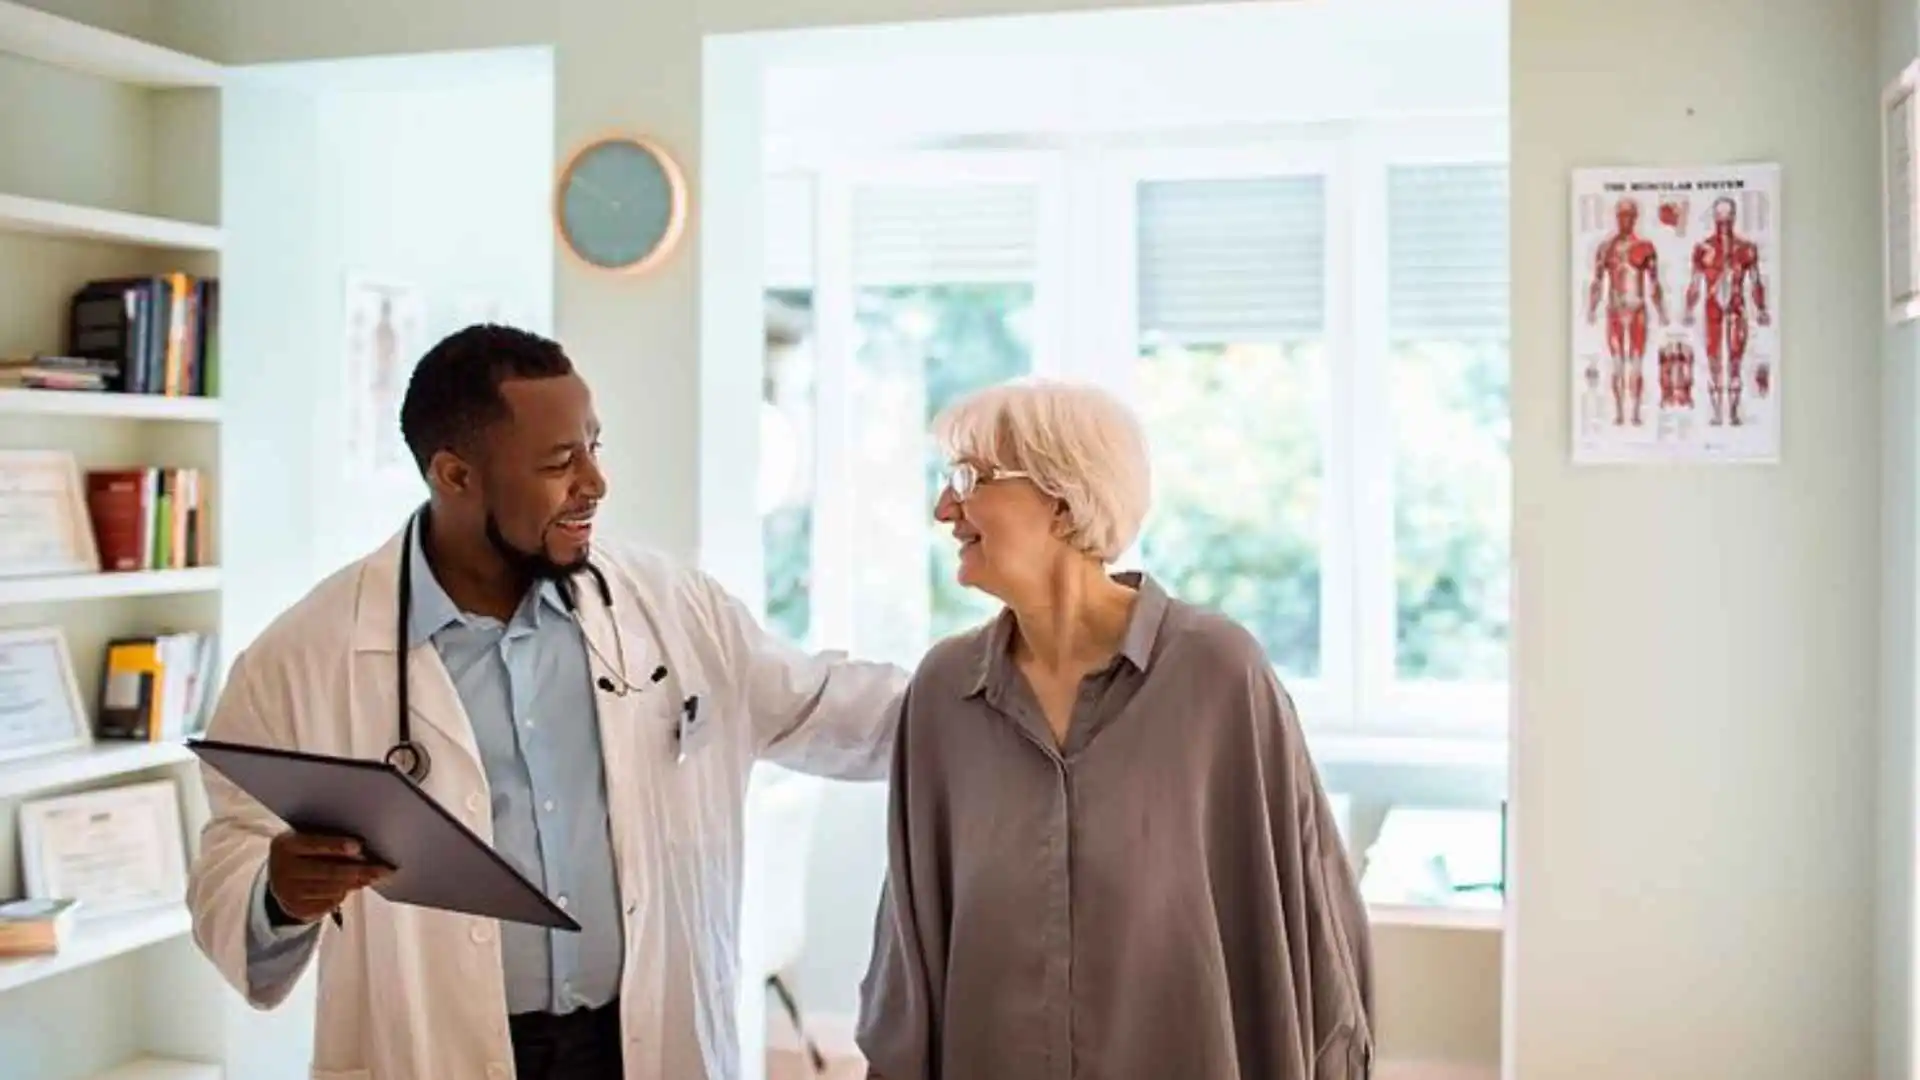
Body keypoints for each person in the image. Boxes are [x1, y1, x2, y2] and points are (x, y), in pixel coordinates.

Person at [184, 325, 908, 1080]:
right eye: (561, 462)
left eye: (594, 447)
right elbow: (230, 861)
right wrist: (278, 892)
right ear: (456, 476)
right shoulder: (303, 658)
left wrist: (1009, 689)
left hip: (641, 1040)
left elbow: (827, 705)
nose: (594, 482)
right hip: (440, 1052)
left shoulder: (669, 607)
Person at [855, 378, 1373, 1080]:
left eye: (969, 477)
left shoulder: (1218, 674)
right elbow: (908, 960)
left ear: (1063, 501)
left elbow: (1311, 923)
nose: (945, 507)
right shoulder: (944, 694)